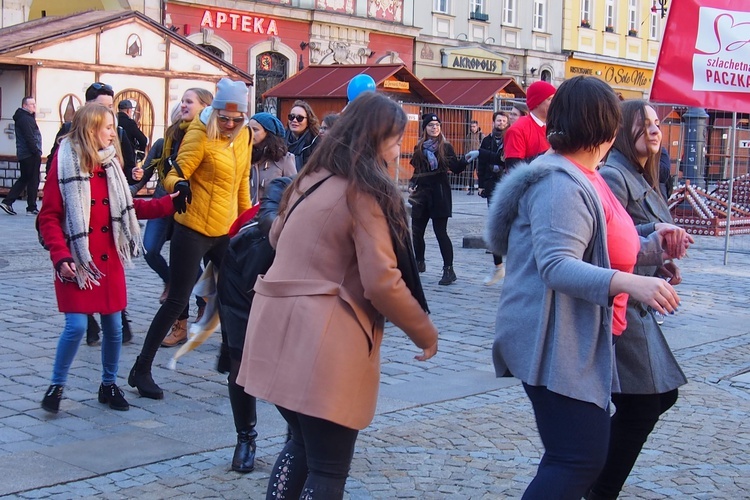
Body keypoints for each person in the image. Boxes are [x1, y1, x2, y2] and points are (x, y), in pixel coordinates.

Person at [485, 76, 685, 499]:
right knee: (577, 458)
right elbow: (557, 266)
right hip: (556, 340)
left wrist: (653, 247)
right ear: (607, 128)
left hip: (580, 337)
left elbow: (606, 243)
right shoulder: (560, 182)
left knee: (574, 455)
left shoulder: (586, 175)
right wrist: (633, 283)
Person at [236, 91, 438, 500]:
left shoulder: (311, 177)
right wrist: (424, 332)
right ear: (375, 138)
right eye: (396, 140)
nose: (400, 150)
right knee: (327, 469)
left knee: (300, 445)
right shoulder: (363, 191)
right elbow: (381, 280)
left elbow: (276, 234)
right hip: (323, 342)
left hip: (275, 329)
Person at [37, 103, 177, 414]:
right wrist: (60, 257)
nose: (114, 134)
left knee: (114, 327)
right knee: (75, 326)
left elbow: (129, 208)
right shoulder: (64, 164)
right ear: (91, 130)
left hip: (109, 258)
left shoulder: (111, 165)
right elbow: (49, 217)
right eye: (109, 128)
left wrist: (168, 204)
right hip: (78, 260)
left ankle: (108, 384)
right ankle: (56, 385)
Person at [588, 100, 692, 500]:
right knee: (646, 403)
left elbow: (636, 240)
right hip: (623, 303)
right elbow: (617, 234)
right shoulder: (614, 175)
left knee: (655, 398)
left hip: (639, 299)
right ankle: (598, 486)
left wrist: (660, 262)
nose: (654, 130)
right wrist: (653, 248)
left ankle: (596, 480)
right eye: (643, 123)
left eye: (656, 123)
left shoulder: (643, 175)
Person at [128, 78, 251, 400]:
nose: (228, 125)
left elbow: (241, 185)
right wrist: (178, 186)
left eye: (236, 120)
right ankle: (141, 369)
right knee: (176, 301)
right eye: (224, 117)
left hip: (225, 230)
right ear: (217, 110)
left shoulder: (244, 135)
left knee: (236, 295)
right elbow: (173, 173)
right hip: (192, 227)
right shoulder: (199, 132)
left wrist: (247, 224)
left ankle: (230, 355)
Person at [48, 82, 142, 346]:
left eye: (110, 107)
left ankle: (110, 380)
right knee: (77, 321)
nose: (108, 114)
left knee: (113, 321)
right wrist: (59, 252)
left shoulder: (114, 138)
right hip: (78, 241)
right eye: (103, 107)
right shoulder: (68, 142)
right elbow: (53, 208)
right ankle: (89, 326)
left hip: (109, 232)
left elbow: (123, 181)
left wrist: (134, 177)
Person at [217, 175, 292, 474]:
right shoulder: (285, 191)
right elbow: (271, 206)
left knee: (290, 364)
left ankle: (295, 440)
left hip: (287, 288)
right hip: (241, 278)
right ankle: (245, 438)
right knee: (242, 362)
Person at [138, 89, 214, 347]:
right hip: (164, 200)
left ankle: (187, 317)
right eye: (182, 101)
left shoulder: (211, 135)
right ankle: (176, 285)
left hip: (193, 206)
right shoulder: (170, 136)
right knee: (150, 250)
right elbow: (150, 170)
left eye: (188, 102)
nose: (183, 105)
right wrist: (129, 191)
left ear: (205, 107)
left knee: (190, 264)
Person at [408, 113, 469, 285]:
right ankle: (419, 262)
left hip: (439, 194)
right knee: (416, 232)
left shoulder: (445, 147)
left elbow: (456, 168)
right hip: (422, 195)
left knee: (440, 232)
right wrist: (413, 182)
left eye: (437, 125)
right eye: (431, 125)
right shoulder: (419, 148)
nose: (434, 128)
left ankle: (449, 270)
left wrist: (466, 160)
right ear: (425, 128)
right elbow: (417, 171)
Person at [468, 111, 509, 285]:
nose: (501, 123)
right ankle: (498, 266)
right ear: (493, 122)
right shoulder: (487, 140)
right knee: (495, 224)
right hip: (492, 185)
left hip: (507, 184)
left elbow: (504, 160)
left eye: (504, 120)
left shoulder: (511, 138)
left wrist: (482, 153)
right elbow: (482, 164)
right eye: (498, 120)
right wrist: (481, 185)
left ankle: (511, 267)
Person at [2, 97, 42, 216]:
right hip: (29, 154)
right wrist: (35, 151)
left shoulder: (25, 117)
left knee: (26, 178)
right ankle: (30, 207)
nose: (34, 106)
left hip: (25, 153)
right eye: (31, 104)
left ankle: (8, 202)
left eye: (35, 104)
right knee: (32, 180)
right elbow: (29, 137)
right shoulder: (25, 118)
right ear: (24, 105)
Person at [504, 81, 555, 170]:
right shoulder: (518, 129)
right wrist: (547, 155)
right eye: (550, 99)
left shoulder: (555, 126)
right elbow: (514, 168)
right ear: (537, 102)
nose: (554, 103)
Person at [248, 112, 296, 202]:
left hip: (272, 213)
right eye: (248, 129)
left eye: (255, 130)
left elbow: (293, 192)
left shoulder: (285, 159)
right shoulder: (245, 156)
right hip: (248, 214)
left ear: (268, 133)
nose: (250, 133)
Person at [285, 100, 319, 171]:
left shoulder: (315, 142)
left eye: (299, 118)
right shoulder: (281, 139)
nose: (294, 120)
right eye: (291, 117)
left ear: (308, 121)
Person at [464, 120, 483, 195]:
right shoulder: (468, 135)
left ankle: (480, 188)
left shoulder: (481, 135)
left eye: (474, 126)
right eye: (471, 126)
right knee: (470, 173)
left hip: (479, 156)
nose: (472, 128)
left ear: (477, 126)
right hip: (471, 156)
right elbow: (466, 146)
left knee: (479, 173)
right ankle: (471, 189)